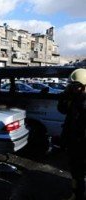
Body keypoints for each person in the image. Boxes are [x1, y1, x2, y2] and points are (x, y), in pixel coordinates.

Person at [57, 68, 86, 200]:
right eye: (72, 86)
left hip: (83, 142)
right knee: (75, 171)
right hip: (73, 141)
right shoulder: (73, 98)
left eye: (78, 86)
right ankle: (76, 193)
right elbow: (62, 109)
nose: (75, 89)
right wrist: (65, 94)